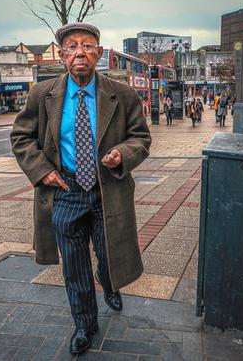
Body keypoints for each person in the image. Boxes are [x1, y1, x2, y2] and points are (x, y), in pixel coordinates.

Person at [10, 22, 151, 355]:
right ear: (62, 56)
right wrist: (42, 171)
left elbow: (141, 138)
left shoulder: (123, 94)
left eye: (87, 46)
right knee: (74, 266)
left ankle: (110, 281)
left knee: (108, 253)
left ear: (98, 53)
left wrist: (123, 154)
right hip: (66, 189)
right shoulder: (42, 95)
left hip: (107, 189)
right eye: (72, 47)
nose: (80, 53)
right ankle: (85, 325)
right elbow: (21, 137)